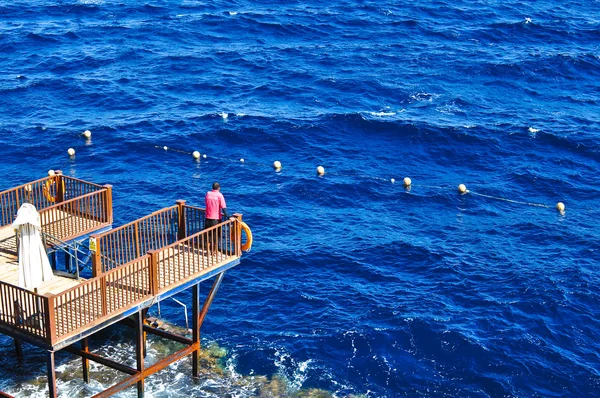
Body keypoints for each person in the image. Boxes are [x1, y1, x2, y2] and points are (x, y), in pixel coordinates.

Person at [204, 182, 234, 256]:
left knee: (208, 235)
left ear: (212, 187)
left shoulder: (208, 193)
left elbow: (206, 202)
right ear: (219, 188)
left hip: (207, 218)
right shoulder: (220, 195)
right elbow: (224, 209)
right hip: (216, 219)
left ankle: (207, 251)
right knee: (216, 236)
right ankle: (215, 251)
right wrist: (229, 217)